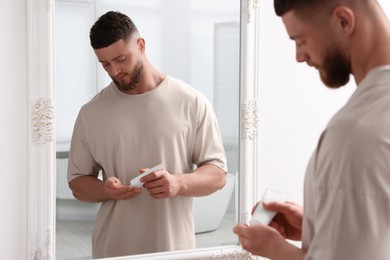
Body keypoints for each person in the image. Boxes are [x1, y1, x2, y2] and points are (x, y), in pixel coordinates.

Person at [233, 0, 390, 259]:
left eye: (301, 40)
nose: (299, 56)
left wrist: (274, 248)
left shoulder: (355, 134)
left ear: (343, 21)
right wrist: (315, 223)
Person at [67, 11, 227, 258]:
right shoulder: (91, 113)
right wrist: (105, 190)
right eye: (105, 64)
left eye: (121, 59)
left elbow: (217, 174)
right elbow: (78, 183)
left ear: (141, 45)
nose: (115, 71)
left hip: (175, 251)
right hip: (112, 250)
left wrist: (178, 183)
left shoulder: (191, 102)